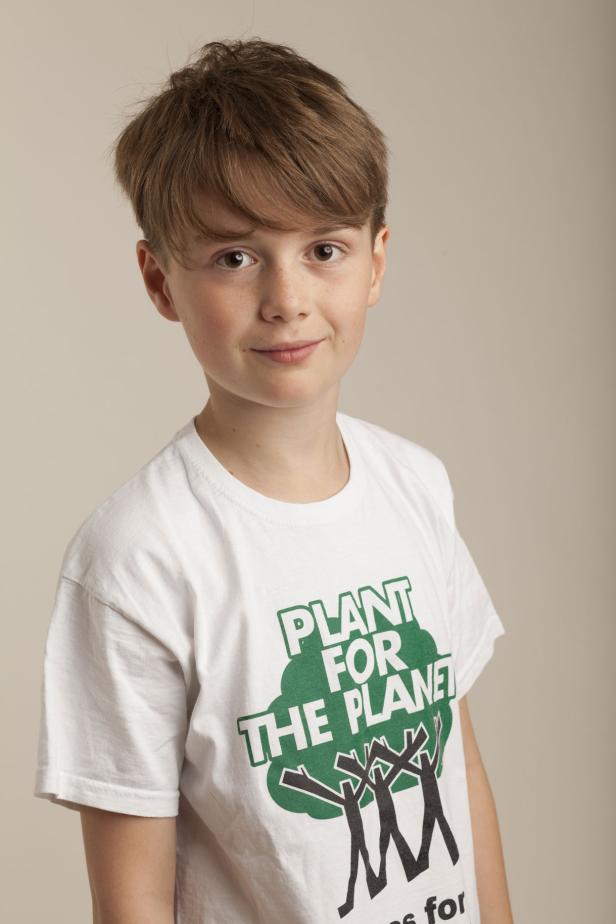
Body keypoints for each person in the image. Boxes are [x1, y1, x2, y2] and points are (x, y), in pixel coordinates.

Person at [33, 37, 513, 924]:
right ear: (160, 281)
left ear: (377, 261)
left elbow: (460, 765)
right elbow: (132, 901)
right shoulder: (137, 559)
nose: (287, 298)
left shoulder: (416, 485)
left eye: (324, 249)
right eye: (235, 257)